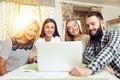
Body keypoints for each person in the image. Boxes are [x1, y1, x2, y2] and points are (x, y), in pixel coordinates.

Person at [69, 11, 120, 79]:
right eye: (88, 25)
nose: (90, 28)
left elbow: (110, 50)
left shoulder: (115, 34)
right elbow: (86, 56)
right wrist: (103, 66)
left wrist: (87, 71)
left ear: (102, 23)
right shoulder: (93, 40)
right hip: (109, 76)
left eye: (93, 24)